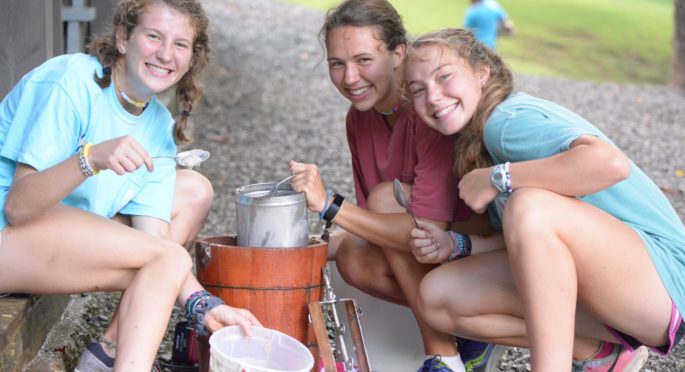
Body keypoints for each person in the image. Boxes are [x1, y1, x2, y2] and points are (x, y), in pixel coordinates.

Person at [0, 0, 262, 371]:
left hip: (60, 235)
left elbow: (157, 240)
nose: (165, 54)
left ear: (191, 59)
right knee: (166, 258)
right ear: (123, 38)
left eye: (180, 45)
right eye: (154, 36)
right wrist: (89, 159)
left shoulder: (158, 124)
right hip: (9, 234)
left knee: (188, 202)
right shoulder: (71, 80)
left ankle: (108, 355)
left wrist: (206, 307)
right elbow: (18, 207)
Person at [404, 28, 685, 371]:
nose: (433, 96)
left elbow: (610, 164)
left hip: (664, 285)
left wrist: (499, 177)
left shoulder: (505, 121)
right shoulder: (477, 141)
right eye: (419, 90)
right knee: (438, 298)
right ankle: (600, 354)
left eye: (444, 76)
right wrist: (456, 244)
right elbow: (531, 246)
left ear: (481, 72)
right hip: (613, 296)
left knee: (530, 206)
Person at [288, 1, 501, 371]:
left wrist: (329, 205)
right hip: (430, 253)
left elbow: (420, 228)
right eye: (337, 64)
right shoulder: (359, 118)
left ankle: (443, 356)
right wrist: (294, 249)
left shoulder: (430, 108)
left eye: (364, 60)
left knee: (385, 199)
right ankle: (470, 333)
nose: (350, 77)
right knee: (354, 256)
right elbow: (373, 230)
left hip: (483, 251)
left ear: (398, 52)